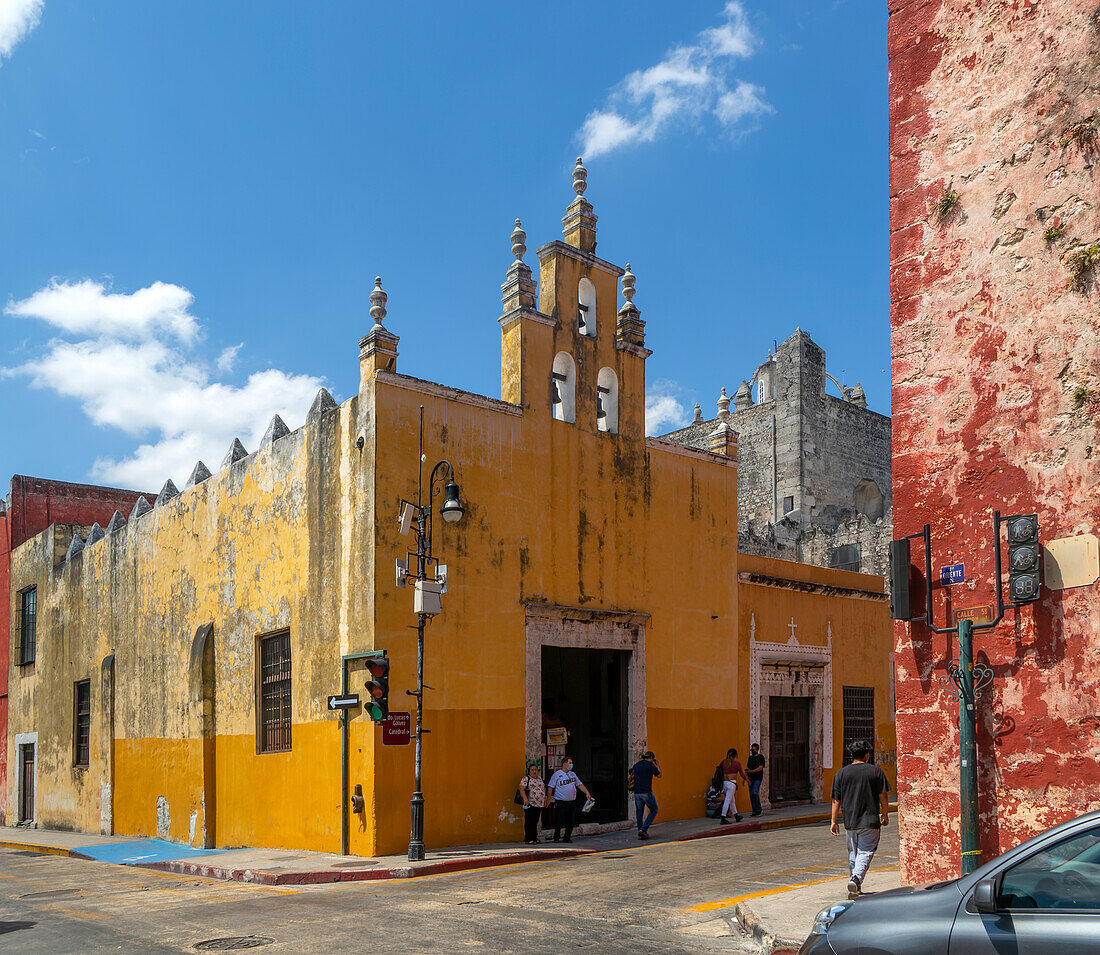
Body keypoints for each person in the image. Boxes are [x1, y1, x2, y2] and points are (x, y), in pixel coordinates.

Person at [830, 740, 890, 899]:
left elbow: (836, 800)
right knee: (866, 851)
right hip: (870, 820)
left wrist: (833, 821)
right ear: (866, 755)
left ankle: (854, 883)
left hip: (850, 821)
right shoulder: (875, 771)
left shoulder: (841, 773)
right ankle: (855, 879)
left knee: (853, 853)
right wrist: (885, 813)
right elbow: (883, 795)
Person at [547, 756, 592, 843]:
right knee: (559, 820)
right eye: (569, 763)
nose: (571, 764)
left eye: (571, 763)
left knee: (570, 821)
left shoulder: (572, 774)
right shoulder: (557, 774)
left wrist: (587, 792)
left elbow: (579, 785)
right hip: (561, 801)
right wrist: (549, 799)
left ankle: (567, 837)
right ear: (564, 764)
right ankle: (556, 837)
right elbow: (550, 787)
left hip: (571, 801)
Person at [630, 751, 661, 839]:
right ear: (651, 758)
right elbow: (659, 775)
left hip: (637, 793)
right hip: (646, 792)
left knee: (639, 812)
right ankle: (643, 829)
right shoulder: (650, 765)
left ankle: (640, 831)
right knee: (654, 810)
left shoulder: (636, 765)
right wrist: (657, 764)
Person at [519, 761, 546, 845]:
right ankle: (528, 839)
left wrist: (544, 799)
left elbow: (542, 789)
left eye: (535, 769)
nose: (534, 771)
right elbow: (521, 788)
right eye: (532, 770)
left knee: (535, 821)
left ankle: (534, 838)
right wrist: (525, 799)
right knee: (529, 822)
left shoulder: (539, 778)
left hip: (539, 804)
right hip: (530, 803)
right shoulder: (526, 779)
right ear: (529, 771)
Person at [719, 748, 747, 823]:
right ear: (735, 755)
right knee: (728, 800)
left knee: (732, 800)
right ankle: (723, 817)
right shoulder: (736, 763)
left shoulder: (724, 762)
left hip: (725, 783)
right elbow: (741, 773)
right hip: (732, 783)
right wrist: (747, 780)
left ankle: (736, 815)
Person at [745, 743, 766, 817]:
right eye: (751, 749)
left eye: (753, 749)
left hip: (757, 778)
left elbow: (760, 768)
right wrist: (746, 778)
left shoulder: (761, 757)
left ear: (757, 750)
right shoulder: (750, 758)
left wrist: (751, 771)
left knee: (755, 792)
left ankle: (759, 809)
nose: (752, 751)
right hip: (751, 778)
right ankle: (754, 810)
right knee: (751, 795)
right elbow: (748, 768)